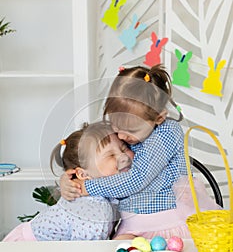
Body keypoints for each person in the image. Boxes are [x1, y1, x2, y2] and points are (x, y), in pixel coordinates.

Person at [60, 65, 220, 239]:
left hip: (168, 222)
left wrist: (87, 187)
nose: (120, 135)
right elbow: (91, 159)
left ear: (158, 118)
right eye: (116, 125)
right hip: (133, 225)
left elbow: (137, 178)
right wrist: (71, 180)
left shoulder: (166, 133)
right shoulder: (126, 131)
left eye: (130, 130)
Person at [3, 122, 134, 242]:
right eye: (110, 155)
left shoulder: (99, 192)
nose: (123, 157)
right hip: (28, 249)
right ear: (82, 174)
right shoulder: (96, 210)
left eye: (123, 149)